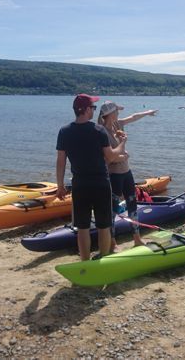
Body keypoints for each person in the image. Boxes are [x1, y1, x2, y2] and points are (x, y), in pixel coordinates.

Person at [56, 93, 128, 261]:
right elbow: (110, 157)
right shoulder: (98, 130)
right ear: (87, 110)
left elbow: (60, 161)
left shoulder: (64, 131)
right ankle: (103, 258)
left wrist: (60, 185)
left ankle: (85, 261)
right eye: (93, 107)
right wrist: (122, 143)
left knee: (82, 227)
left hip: (79, 184)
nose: (94, 110)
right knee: (104, 225)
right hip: (100, 183)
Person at [97, 101, 157, 248]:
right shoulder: (102, 132)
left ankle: (137, 239)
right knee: (113, 210)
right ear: (110, 114)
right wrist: (124, 156)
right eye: (117, 110)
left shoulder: (118, 125)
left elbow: (133, 117)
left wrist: (147, 112)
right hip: (114, 176)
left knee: (133, 206)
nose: (119, 113)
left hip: (126, 173)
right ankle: (112, 242)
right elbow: (109, 158)